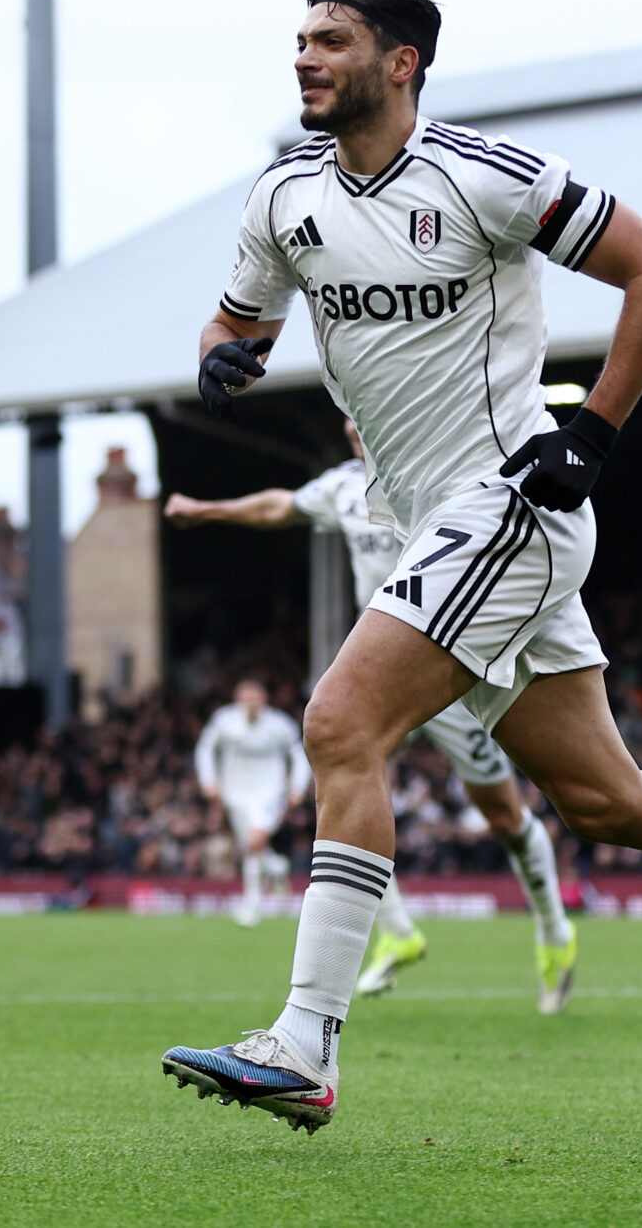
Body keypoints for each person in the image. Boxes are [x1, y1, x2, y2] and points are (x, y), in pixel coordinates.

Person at [162, 0, 642, 1135]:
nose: (304, 58)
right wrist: (225, 351)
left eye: (330, 41)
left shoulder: (481, 175)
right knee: (607, 803)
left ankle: (304, 1042)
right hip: (427, 524)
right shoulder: (281, 198)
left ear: (399, 63)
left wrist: (591, 435)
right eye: (298, 40)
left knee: (338, 721)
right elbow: (238, 312)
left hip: (509, 507)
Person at [165, 419, 580, 1010]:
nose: (355, 429)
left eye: (366, 419)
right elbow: (279, 507)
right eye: (349, 422)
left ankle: (553, 930)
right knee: (340, 776)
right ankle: (400, 933)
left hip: (452, 662)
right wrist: (205, 510)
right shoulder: (340, 489)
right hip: (384, 673)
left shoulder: (443, 477)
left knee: (504, 817)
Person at [193, 679, 312, 927]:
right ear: (238, 699)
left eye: (255, 698)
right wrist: (209, 780)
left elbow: (299, 755)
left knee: (255, 842)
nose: (251, 704)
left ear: (263, 699)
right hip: (235, 794)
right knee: (252, 845)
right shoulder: (224, 720)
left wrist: (297, 788)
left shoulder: (279, 724)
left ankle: (252, 906)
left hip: (270, 793)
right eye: (246, 699)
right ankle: (277, 867)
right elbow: (205, 748)